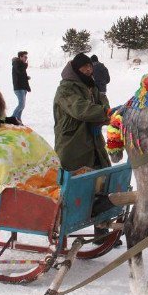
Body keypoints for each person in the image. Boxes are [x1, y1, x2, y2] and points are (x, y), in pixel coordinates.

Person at [53, 53, 114, 244]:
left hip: (94, 143)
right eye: (84, 67)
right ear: (75, 69)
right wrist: (105, 113)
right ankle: (60, 230)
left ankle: (101, 230)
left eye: (89, 66)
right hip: (73, 145)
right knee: (72, 188)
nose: (88, 70)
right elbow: (81, 109)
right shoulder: (66, 89)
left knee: (103, 183)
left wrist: (105, 110)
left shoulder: (92, 85)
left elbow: (103, 102)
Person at [11, 51, 31, 123]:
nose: (26, 58)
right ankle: (12, 118)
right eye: (25, 57)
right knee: (21, 105)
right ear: (20, 57)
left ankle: (18, 119)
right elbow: (20, 71)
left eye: (26, 57)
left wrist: (26, 77)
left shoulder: (21, 64)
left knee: (22, 105)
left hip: (23, 87)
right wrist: (25, 65)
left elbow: (21, 74)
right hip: (18, 88)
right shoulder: (16, 63)